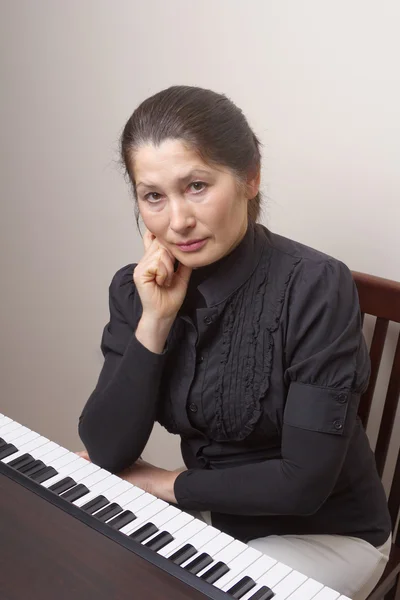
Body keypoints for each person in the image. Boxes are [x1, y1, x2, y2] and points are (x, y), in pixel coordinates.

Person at [78, 85, 392, 599]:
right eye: (153, 195)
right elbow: (107, 450)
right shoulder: (136, 289)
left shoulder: (315, 285)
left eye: (196, 186)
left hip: (326, 534)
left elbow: (303, 483)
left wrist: (164, 484)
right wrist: (154, 322)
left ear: (250, 176)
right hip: (214, 519)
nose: (177, 221)